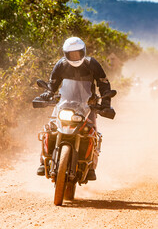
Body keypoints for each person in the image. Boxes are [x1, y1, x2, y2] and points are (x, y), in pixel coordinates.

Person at [36, 37, 112, 180]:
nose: (75, 57)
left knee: (92, 133)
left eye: (77, 53)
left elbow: (104, 84)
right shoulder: (61, 64)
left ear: (83, 51)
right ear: (66, 54)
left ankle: (90, 166)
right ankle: (43, 160)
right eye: (72, 54)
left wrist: (106, 103)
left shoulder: (92, 64)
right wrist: (46, 95)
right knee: (50, 128)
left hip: (87, 105)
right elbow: (53, 84)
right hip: (64, 104)